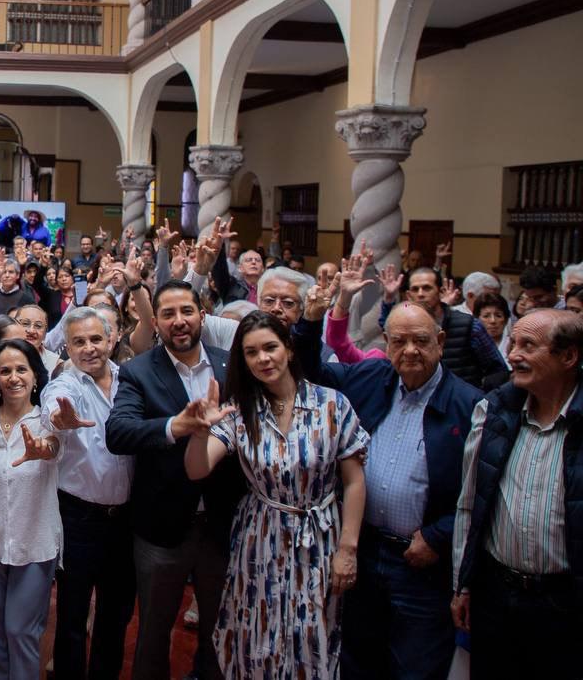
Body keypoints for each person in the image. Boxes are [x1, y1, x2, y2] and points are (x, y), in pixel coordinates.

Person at [294, 287, 483, 679]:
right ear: (386, 343)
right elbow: (312, 374)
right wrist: (311, 321)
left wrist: (437, 535)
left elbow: (484, 492)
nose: (410, 350)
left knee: (415, 666)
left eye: (420, 340)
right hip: (363, 553)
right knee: (358, 659)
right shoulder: (373, 378)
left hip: (422, 564)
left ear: (441, 342)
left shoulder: (470, 405)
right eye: (399, 341)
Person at [182, 311, 368, 678]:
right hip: (260, 537)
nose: (263, 359)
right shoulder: (241, 412)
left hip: (319, 539)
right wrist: (200, 431)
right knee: (256, 632)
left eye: (270, 348)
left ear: (289, 350)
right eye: (252, 353)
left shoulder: (332, 404)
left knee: (312, 635)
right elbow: (197, 469)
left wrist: (348, 549)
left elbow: (354, 481)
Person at [105, 280, 244, 680]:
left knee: (220, 633)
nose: (178, 321)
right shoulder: (138, 371)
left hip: (222, 525)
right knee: (152, 634)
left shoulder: (230, 364)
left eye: (186, 311)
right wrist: (174, 426)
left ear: (203, 315)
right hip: (161, 528)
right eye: (167, 314)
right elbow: (119, 433)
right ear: (156, 322)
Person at [451, 310, 583, 679]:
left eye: (528, 345)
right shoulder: (494, 411)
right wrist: (461, 584)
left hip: (564, 604)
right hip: (496, 595)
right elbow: (469, 504)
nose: (512, 354)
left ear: (568, 356)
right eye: (513, 343)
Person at [42, 307, 135, 680]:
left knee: (115, 615)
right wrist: (57, 419)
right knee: (72, 613)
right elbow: (53, 407)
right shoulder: (66, 384)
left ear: (112, 340)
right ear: (67, 347)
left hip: (126, 521)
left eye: (96, 339)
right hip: (79, 518)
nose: (89, 348)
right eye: (78, 342)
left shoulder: (131, 380)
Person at [0, 339, 61, 680]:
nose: (13, 377)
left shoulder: (50, 422)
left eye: (21, 369)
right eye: (4, 370)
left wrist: (46, 449)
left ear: (35, 376)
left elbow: (54, 448)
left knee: (20, 630)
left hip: (34, 546)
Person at [380, 266, 506, 390]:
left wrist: (478, 398)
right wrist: (389, 299)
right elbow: (389, 326)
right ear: (408, 295)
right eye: (415, 289)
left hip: (461, 403)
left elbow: (497, 370)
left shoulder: (468, 325)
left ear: (440, 292)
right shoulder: (405, 324)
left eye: (427, 288)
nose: (420, 294)